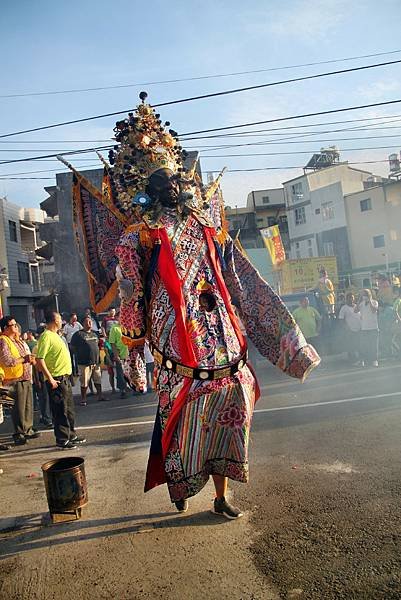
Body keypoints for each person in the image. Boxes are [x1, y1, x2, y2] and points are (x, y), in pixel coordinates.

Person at [67, 93, 320, 518]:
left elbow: (242, 278)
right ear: (147, 192)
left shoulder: (209, 229)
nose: (174, 186)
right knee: (183, 415)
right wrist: (132, 350)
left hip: (219, 331)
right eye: (163, 182)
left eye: (176, 179)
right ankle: (180, 484)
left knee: (234, 397)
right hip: (175, 341)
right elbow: (132, 294)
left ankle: (221, 495)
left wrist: (287, 342)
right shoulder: (139, 237)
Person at [36, 311, 86, 449]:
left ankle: (71, 434)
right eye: (59, 318)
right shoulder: (46, 336)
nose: (61, 320)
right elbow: (39, 359)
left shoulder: (56, 335)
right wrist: (50, 378)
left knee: (69, 409)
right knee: (60, 410)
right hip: (56, 379)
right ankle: (62, 439)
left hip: (65, 378)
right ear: (53, 321)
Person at [0, 315, 39, 446]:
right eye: (13, 325)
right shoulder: (3, 340)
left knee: (28, 405)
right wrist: (25, 359)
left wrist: (30, 360)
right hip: (14, 379)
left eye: (16, 324)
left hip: (26, 377)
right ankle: (19, 433)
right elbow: (7, 361)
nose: (16, 327)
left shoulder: (17, 340)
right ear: (5, 328)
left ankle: (28, 429)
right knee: (18, 408)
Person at [71, 316, 105, 406]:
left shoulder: (94, 334)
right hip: (84, 363)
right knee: (84, 381)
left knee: (97, 379)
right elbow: (72, 347)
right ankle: (83, 399)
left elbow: (97, 345)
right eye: (87, 322)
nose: (89, 324)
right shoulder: (78, 334)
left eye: (90, 322)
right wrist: (80, 354)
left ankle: (100, 395)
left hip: (95, 362)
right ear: (83, 324)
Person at [356, 289, 379, 367]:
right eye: (363, 295)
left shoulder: (375, 302)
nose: (364, 296)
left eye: (365, 294)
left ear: (369, 295)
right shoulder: (361, 304)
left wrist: (369, 301)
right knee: (364, 345)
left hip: (373, 327)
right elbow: (355, 310)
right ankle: (365, 360)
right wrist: (359, 300)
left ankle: (374, 360)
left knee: (373, 345)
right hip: (364, 328)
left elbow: (373, 310)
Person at [338, 293, 361, 363]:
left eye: (352, 297)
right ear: (346, 299)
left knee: (359, 344)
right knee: (351, 345)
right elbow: (341, 319)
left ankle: (359, 359)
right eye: (349, 298)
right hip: (350, 330)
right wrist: (346, 328)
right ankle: (352, 360)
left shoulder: (357, 307)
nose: (351, 299)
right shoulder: (344, 308)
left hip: (359, 329)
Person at [108, 322, 128, 398]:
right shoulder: (114, 328)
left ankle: (134, 387)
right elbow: (112, 343)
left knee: (131, 372)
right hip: (121, 354)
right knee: (120, 373)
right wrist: (116, 355)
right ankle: (122, 390)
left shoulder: (129, 325)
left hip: (130, 354)